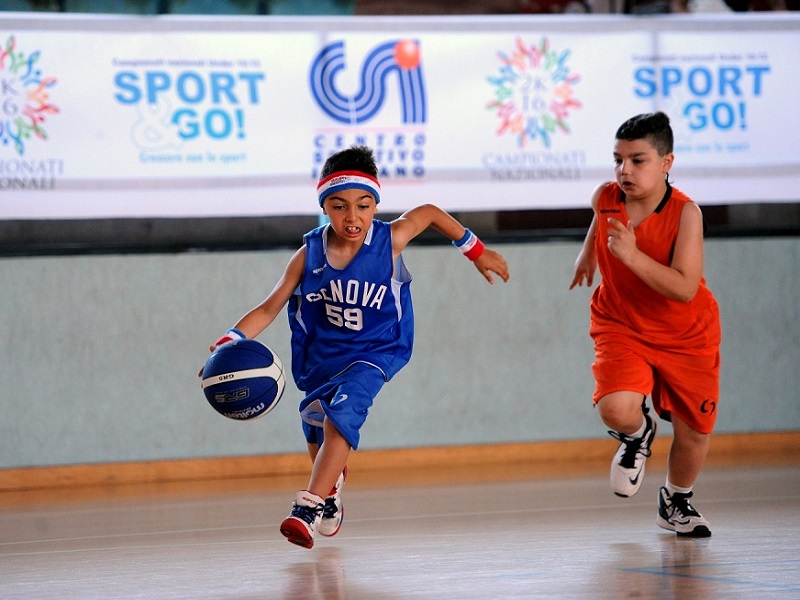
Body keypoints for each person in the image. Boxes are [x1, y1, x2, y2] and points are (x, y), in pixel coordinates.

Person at [206, 145, 509, 549]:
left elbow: (431, 213)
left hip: (378, 350)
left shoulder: (390, 239)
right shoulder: (307, 255)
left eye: (364, 205)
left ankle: (308, 507)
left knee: (341, 416)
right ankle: (331, 491)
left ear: (375, 204)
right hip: (322, 360)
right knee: (317, 430)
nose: (353, 217)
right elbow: (268, 308)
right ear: (325, 207)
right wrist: (227, 345)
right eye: (340, 206)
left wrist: (474, 250)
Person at [569, 112, 721, 537]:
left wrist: (633, 257)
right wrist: (589, 255)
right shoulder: (607, 196)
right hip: (621, 322)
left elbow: (685, 287)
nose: (624, 170)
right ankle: (638, 435)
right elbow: (602, 219)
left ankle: (675, 500)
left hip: (686, 333)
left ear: (666, 162)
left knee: (694, 432)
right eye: (618, 160)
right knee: (616, 408)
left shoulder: (686, 213)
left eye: (638, 160)